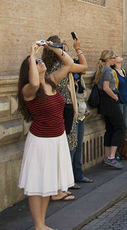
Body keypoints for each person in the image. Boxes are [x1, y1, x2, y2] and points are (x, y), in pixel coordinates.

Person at [17, 42, 75, 229]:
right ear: (29, 69)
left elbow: (67, 64)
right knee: (37, 183)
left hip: (57, 139)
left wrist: (53, 48)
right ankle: (38, 225)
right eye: (35, 62)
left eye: (40, 60)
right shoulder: (29, 89)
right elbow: (34, 82)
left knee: (48, 181)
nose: (40, 62)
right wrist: (31, 53)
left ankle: (42, 223)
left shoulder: (51, 81)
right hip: (40, 141)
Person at [42, 35, 88, 191]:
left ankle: (69, 180)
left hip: (62, 108)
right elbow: (84, 66)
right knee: (69, 146)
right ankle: (64, 183)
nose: (64, 47)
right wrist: (77, 48)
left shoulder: (48, 66)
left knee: (70, 145)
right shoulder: (60, 66)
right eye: (62, 45)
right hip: (65, 109)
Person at [94, 50, 125, 169]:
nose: (114, 60)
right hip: (109, 101)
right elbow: (106, 87)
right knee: (120, 127)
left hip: (104, 102)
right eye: (113, 58)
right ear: (108, 60)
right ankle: (111, 157)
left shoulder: (102, 69)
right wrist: (115, 97)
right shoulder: (107, 70)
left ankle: (107, 156)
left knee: (110, 128)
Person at [70, 61, 93, 184]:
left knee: (78, 147)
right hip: (73, 118)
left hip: (81, 116)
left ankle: (78, 174)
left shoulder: (81, 80)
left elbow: (81, 98)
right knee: (71, 149)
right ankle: (69, 179)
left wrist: (85, 109)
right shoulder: (68, 81)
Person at [112, 54, 127, 126]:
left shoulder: (123, 71)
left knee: (125, 123)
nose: (118, 55)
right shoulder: (113, 72)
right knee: (120, 124)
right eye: (116, 56)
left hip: (126, 100)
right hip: (119, 100)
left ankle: (124, 137)